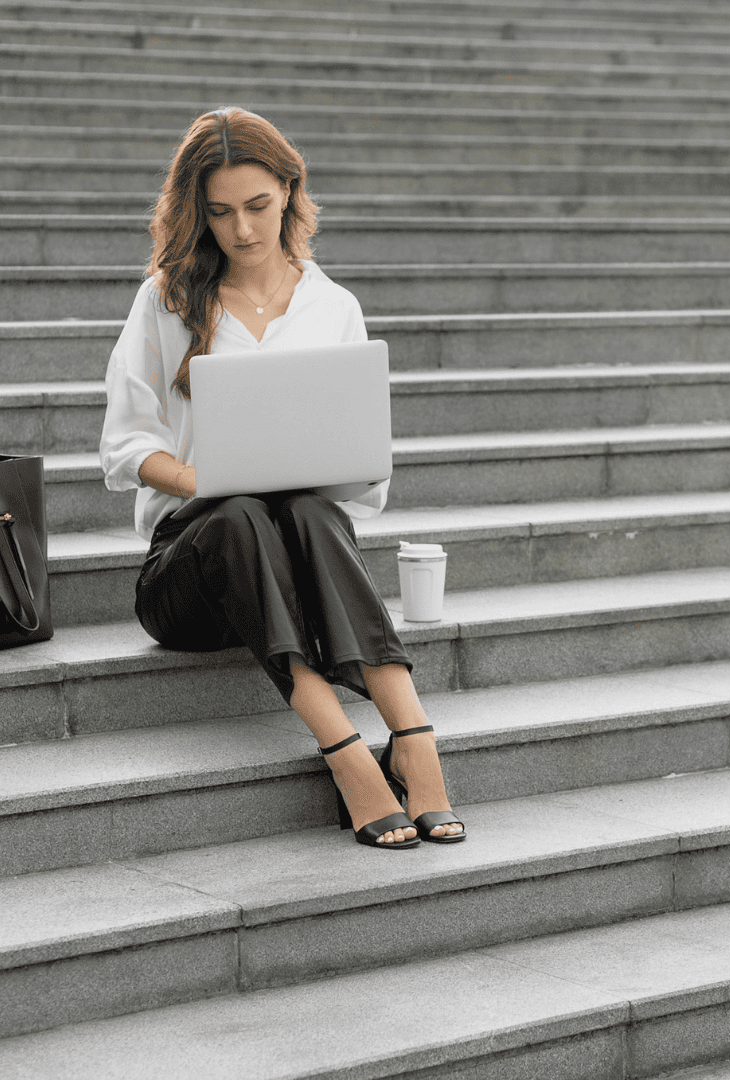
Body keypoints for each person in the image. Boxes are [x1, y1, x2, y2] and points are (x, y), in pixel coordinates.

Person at [99, 107, 464, 850]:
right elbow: (125, 445)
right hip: (189, 578)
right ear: (198, 214)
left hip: (298, 551)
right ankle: (346, 753)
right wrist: (203, 475)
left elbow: (365, 480)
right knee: (236, 510)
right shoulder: (166, 299)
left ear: (291, 193)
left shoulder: (333, 307)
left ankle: (410, 731)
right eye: (222, 212)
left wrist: (295, 471)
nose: (242, 230)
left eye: (259, 206)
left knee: (307, 506)